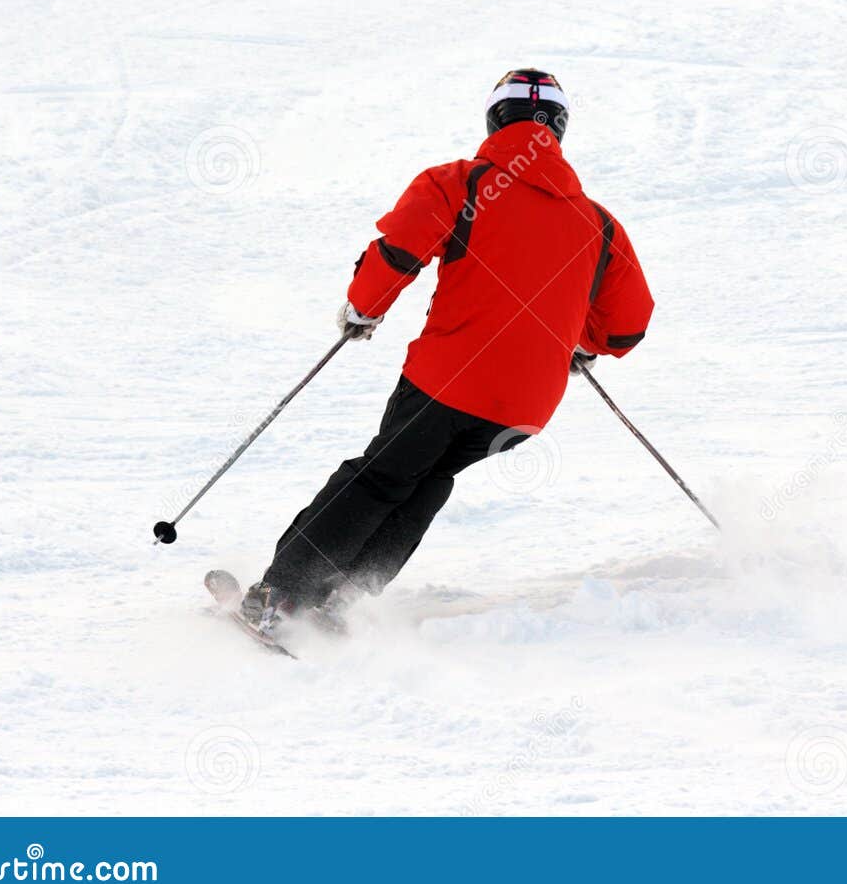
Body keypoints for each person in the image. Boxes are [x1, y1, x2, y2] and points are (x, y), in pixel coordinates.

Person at [241, 69, 654, 632]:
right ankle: (345, 598)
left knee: (382, 476)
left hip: (447, 379)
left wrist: (365, 309)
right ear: (559, 129)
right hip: (523, 409)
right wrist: (581, 344)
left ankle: (283, 597)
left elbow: (398, 252)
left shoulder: (459, 183)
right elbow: (625, 327)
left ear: (494, 119)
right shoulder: (600, 224)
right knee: (429, 479)